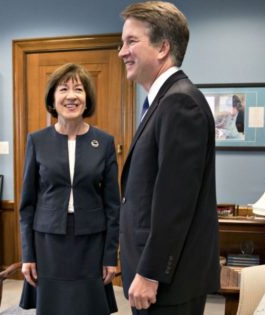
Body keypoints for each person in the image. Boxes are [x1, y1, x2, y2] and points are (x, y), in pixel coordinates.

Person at [118, 2, 220, 314]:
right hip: (161, 277)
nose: (122, 52)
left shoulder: (179, 103)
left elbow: (175, 203)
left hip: (167, 283)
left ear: (163, 47)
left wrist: (150, 273)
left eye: (131, 41)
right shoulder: (163, 101)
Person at [19, 63, 120, 315]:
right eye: (64, 89)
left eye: (79, 89)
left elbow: (113, 206)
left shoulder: (105, 142)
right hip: (48, 243)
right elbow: (27, 204)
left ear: (87, 99)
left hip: (91, 243)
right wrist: (27, 255)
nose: (72, 96)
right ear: (53, 98)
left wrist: (110, 256)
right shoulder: (37, 140)